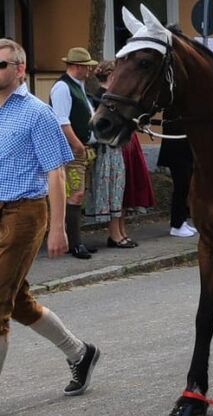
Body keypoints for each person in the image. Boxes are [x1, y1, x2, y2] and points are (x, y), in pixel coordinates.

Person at [0, 38, 100, 395]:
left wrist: (58, 229)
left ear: (20, 69)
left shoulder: (36, 113)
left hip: (25, 211)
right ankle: (80, 353)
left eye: (1, 65)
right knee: (18, 301)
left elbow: (56, 173)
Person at [50, 47, 99, 259]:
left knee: (78, 194)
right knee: (74, 194)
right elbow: (62, 121)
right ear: (77, 66)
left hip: (81, 148)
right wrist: (78, 146)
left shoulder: (77, 86)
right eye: (87, 67)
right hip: (72, 150)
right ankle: (74, 243)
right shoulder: (63, 87)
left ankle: (75, 240)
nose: (89, 71)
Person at [86, 60, 135, 248]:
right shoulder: (101, 97)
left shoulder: (109, 96)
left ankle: (120, 231)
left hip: (116, 148)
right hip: (106, 149)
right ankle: (114, 234)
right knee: (112, 193)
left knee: (118, 192)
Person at [158, 107, 197, 237]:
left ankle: (183, 220)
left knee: (185, 187)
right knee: (181, 186)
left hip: (184, 150)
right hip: (176, 151)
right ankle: (176, 224)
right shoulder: (173, 110)